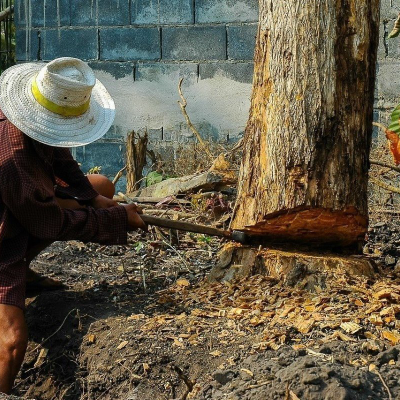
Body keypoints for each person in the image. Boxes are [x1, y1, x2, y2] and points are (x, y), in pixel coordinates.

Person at [0, 57, 146, 394]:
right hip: (3, 237)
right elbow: (52, 223)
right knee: (11, 342)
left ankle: (26, 272)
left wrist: (93, 200)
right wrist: (117, 219)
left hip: (17, 210)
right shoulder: (14, 164)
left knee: (102, 187)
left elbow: (60, 155)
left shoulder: (30, 116)